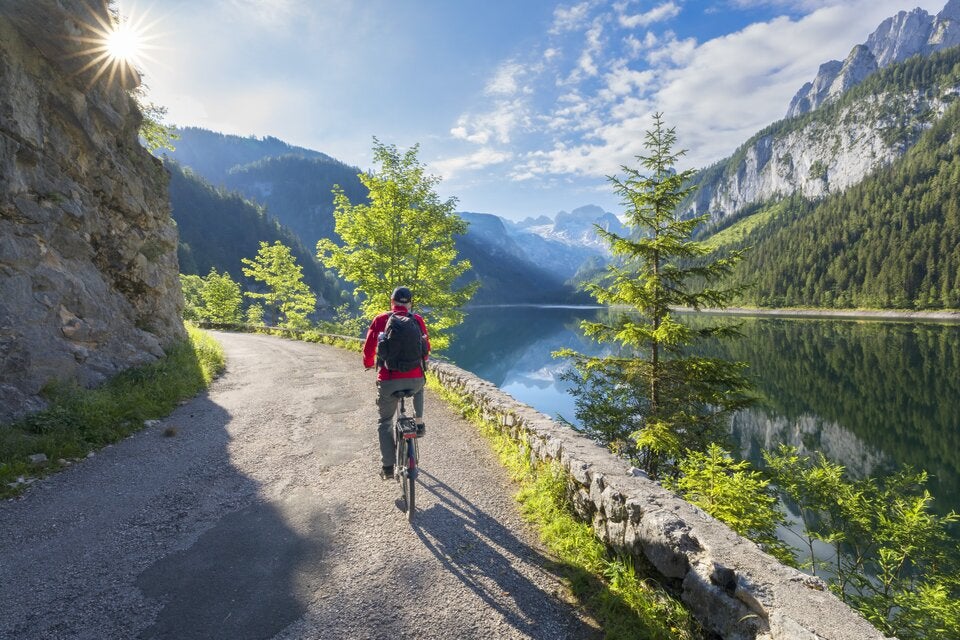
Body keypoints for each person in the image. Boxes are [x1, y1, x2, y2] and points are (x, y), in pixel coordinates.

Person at [362, 286, 430, 480]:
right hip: (415, 379)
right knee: (420, 387)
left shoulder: (381, 319)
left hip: (389, 381)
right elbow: (426, 348)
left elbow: (369, 348)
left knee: (384, 422)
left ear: (392, 302)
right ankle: (418, 422)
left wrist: (368, 363)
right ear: (409, 304)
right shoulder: (417, 320)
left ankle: (388, 467)